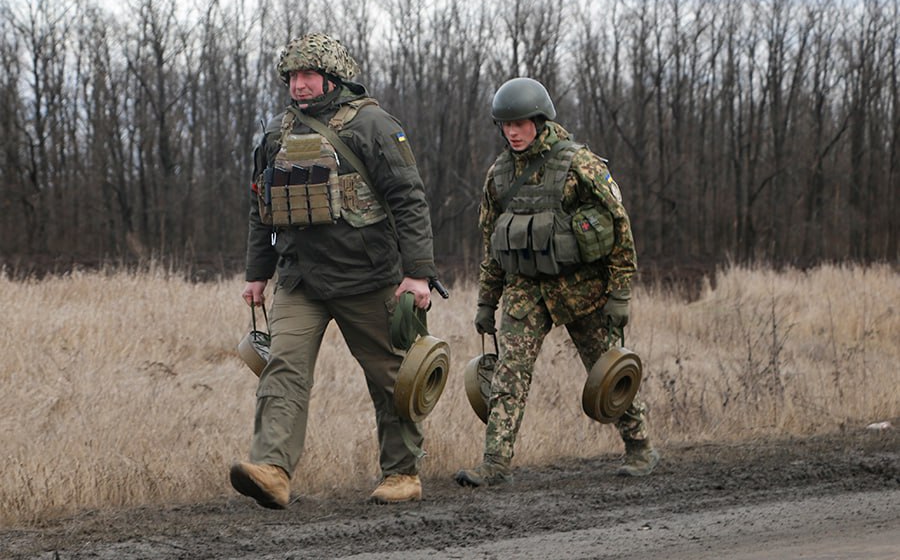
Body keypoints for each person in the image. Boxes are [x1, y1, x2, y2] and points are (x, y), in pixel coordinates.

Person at [231, 33, 437, 507]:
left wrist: (419, 273)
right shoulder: (277, 133)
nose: (298, 86)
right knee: (282, 367)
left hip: (366, 276)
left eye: (307, 76)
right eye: (292, 77)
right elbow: (261, 206)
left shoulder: (372, 124)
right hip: (300, 278)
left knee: (390, 376)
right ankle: (273, 470)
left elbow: (408, 197)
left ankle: (402, 473)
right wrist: (256, 274)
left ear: (332, 77)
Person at [455, 77, 659, 487]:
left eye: (521, 124)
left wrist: (619, 291)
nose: (512, 132)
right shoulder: (497, 177)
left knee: (606, 369)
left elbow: (620, 228)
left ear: (540, 120)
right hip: (525, 290)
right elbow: (492, 245)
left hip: (579, 288)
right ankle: (494, 464)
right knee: (510, 372)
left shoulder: (579, 164)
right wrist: (485, 303)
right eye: (506, 125)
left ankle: (640, 446)